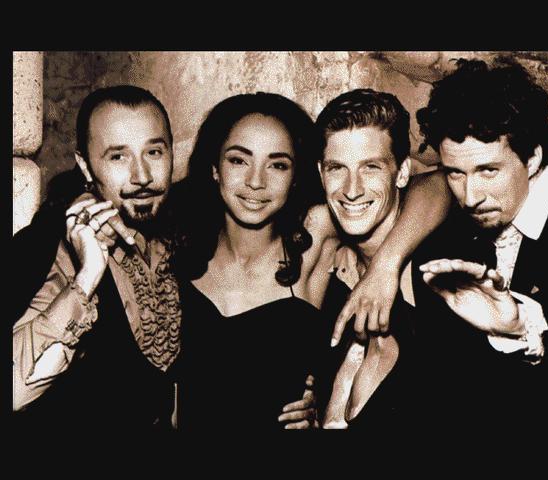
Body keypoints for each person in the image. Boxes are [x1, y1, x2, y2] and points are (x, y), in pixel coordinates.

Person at [172, 91, 450, 431]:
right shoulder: (177, 242)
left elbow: (439, 182)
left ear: (295, 175)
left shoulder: (313, 236)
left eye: (277, 164)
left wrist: (385, 266)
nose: (256, 181)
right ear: (214, 168)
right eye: (238, 160)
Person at [412, 58, 548, 429]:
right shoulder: (446, 240)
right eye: (455, 174)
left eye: (488, 171)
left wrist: (519, 331)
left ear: (531, 159)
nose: (470, 196)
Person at [13, 85, 184, 432]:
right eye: (118, 157)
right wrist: (88, 273)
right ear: (85, 166)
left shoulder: (183, 240)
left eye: (154, 152)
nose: (142, 176)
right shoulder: (47, 247)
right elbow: (14, 392)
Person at [313, 88, 428, 430]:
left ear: (402, 173)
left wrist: (386, 264)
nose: (352, 189)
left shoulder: (436, 276)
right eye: (337, 168)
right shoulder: (331, 275)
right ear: (321, 173)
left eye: (371, 167)